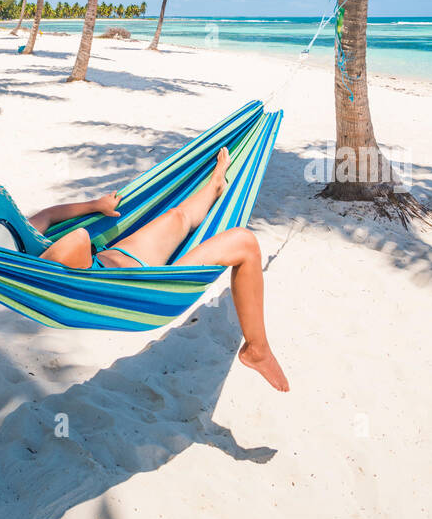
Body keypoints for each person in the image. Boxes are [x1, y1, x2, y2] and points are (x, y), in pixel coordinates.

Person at [28, 147, 289, 392]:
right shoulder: (9, 263)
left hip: (128, 261)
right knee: (244, 242)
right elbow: (75, 238)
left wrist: (96, 206)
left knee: (179, 216)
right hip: (122, 290)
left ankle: (215, 185)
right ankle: (258, 349)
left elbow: (49, 216)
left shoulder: (21, 234)